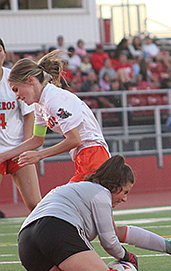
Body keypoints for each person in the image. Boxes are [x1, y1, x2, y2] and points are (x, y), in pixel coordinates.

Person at [17, 155, 171, 271]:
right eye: (125, 191)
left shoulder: (75, 190)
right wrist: (127, 257)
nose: (124, 198)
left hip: (25, 242)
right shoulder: (101, 193)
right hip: (57, 228)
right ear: (115, 184)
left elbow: (116, 233)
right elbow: (109, 241)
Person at [0, 50, 110, 183]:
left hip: (93, 153)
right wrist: (3, 156)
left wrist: (39, 155)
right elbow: (37, 140)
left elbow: (75, 139)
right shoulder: (39, 105)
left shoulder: (53, 99)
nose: (16, 96)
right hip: (83, 155)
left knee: (64, 200)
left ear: (30, 80)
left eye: (16, 89)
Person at [0, 38, 42, 213]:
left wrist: (25, 147)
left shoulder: (12, 79)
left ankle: (45, 238)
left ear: (4, 53)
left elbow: (29, 115)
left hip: (17, 148)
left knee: (35, 203)